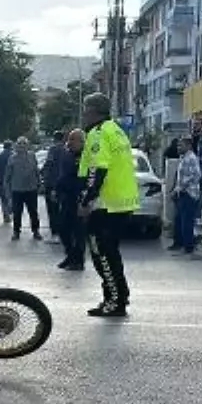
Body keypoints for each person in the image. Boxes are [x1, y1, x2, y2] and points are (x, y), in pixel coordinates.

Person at [78, 93, 139, 317]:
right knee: (111, 254)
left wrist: (86, 201)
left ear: (93, 111)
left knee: (102, 255)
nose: (83, 114)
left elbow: (97, 170)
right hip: (120, 203)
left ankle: (114, 300)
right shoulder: (115, 129)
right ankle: (118, 297)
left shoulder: (98, 133)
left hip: (105, 205)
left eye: (85, 109)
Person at [55, 128, 87, 270]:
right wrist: (57, 189)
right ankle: (70, 255)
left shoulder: (86, 157)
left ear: (82, 141)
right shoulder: (68, 155)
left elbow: (85, 179)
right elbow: (63, 175)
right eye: (69, 139)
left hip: (79, 198)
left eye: (73, 139)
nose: (70, 142)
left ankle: (78, 260)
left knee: (78, 232)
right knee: (62, 228)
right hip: (67, 197)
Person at [3, 136, 43, 240]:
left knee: (33, 211)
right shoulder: (12, 158)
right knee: (17, 212)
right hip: (17, 189)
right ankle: (16, 232)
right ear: (16, 146)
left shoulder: (32, 156)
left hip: (31, 189)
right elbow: (7, 176)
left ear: (28, 146)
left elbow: (36, 171)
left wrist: (39, 183)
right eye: (19, 144)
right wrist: (7, 192)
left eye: (24, 144)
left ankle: (36, 231)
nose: (21, 146)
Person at [168, 136, 202, 255]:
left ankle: (188, 246)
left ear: (188, 146)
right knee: (178, 220)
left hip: (189, 193)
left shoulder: (191, 158)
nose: (178, 148)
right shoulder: (183, 158)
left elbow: (196, 175)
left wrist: (181, 188)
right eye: (178, 145)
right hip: (181, 192)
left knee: (186, 221)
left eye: (180, 145)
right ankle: (179, 243)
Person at [40, 131, 66, 240]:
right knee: (63, 208)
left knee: (52, 209)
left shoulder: (53, 150)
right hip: (65, 183)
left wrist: (42, 175)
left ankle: (55, 233)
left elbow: (48, 164)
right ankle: (64, 232)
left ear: (54, 139)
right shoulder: (67, 149)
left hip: (52, 183)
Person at [0, 140, 13, 224]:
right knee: (12, 197)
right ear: (11, 146)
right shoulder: (13, 155)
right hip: (13, 180)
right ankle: (10, 211)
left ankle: (5, 214)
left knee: (3, 198)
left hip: (1, 180)